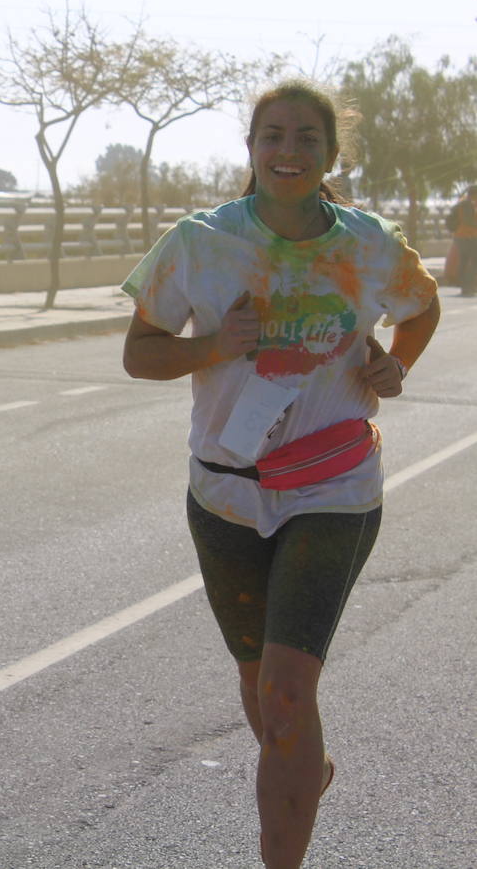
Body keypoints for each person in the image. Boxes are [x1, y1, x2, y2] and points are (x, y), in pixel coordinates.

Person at [120, 79, 440, 869]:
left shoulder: (369, 243)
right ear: (252, 149)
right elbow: (140, 353)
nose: (288, 151)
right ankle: (306, 770)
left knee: (289, 697)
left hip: (333, 489)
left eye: (306, 138)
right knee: (268, 698)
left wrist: (393, 365)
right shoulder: (199, 242)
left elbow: (423, 305)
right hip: (224, 492)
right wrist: (214, 346)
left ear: (332, 155)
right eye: (272, 135)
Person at [448, 185, 477, 296]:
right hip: (468, 236)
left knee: (464, 261)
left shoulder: (463, 203)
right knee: (472, 261)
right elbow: (468, 221)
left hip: (461, 236)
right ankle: (467, 286)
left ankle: (466, 286)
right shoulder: (467, 205)